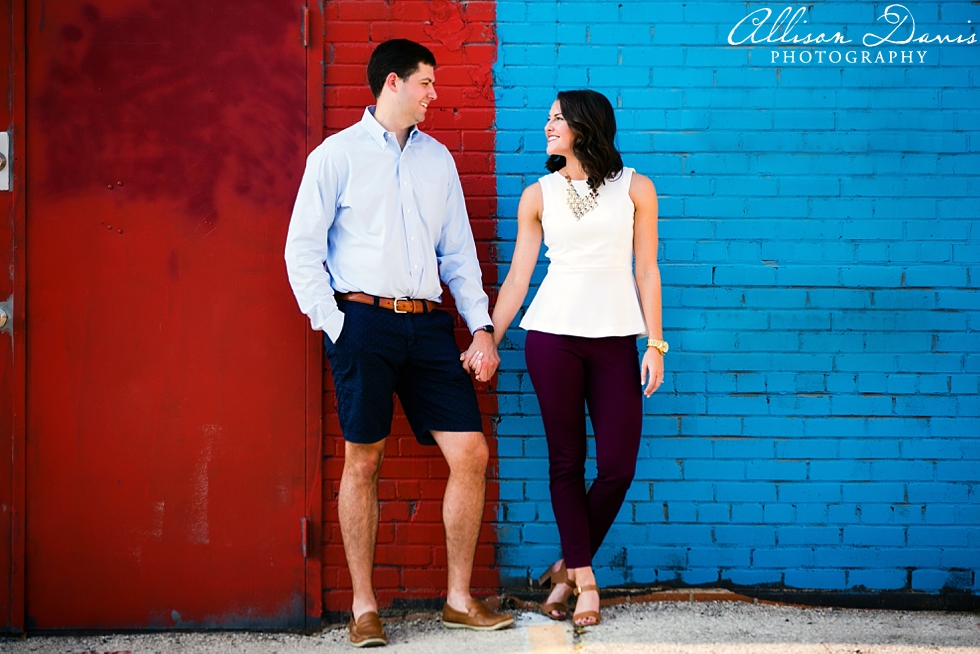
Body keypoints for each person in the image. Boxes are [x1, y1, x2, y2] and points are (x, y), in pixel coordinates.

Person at [284, 39, 513, 647]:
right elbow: (301, 251)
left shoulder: (437, 160)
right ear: (393, 83)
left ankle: (459, 600)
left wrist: (481, 326)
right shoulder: (336, 156)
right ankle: (364, 608)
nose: (434, 95)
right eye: (426, 83)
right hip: (364, 324)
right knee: (364, 460)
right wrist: (335, 326)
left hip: (429, 326)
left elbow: (459, 254)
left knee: (470, 454)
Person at [477, 90, 666, 627]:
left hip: (615, 339)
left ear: (585, 126)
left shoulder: (636, 188)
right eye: (548, 118)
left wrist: (655, 343)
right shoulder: (539, 194)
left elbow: (646, 269)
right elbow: (519, 277)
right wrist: (489, 333)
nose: (547, 126)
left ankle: (562, 568)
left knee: (617, 468)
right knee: (566, 461)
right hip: (552, 337)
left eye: (556, 118)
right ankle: (584, 581)